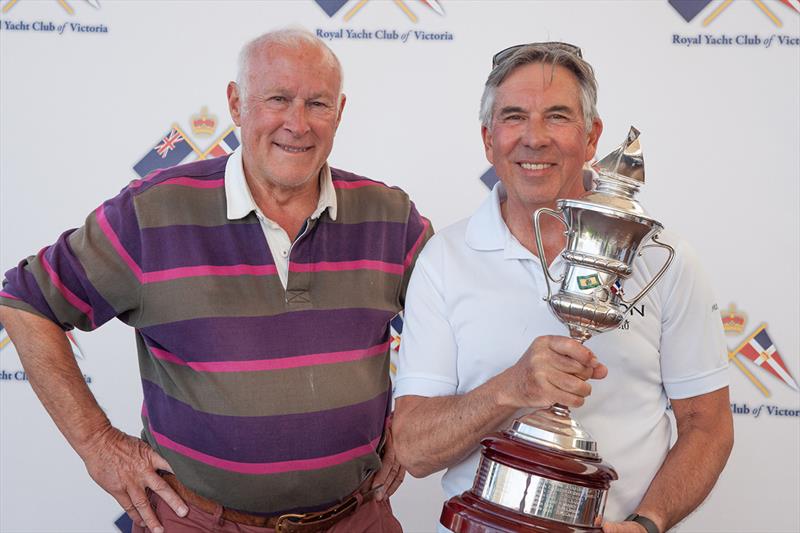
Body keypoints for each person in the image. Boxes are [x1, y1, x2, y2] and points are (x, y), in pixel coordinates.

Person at [0, 28, 431, 533]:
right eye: (278, 99)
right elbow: (26, 301)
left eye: (317, 103)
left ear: (340, 111)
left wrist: (418, 423)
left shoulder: (390, 216)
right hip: (197, 522)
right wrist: (98, 444)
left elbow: (458, 320)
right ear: (235, 103)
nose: (298, 123)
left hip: (356, 519)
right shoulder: (152, 213)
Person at [392, 42, 733, 533]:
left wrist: (646, 525)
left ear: (592, 137)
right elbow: (414, 450)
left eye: (557, 116)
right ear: (489, 140)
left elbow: (708, 423)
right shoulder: (444, 259)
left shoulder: (663, 259)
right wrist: (512, 388)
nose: (535, 138)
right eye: (514, 117)